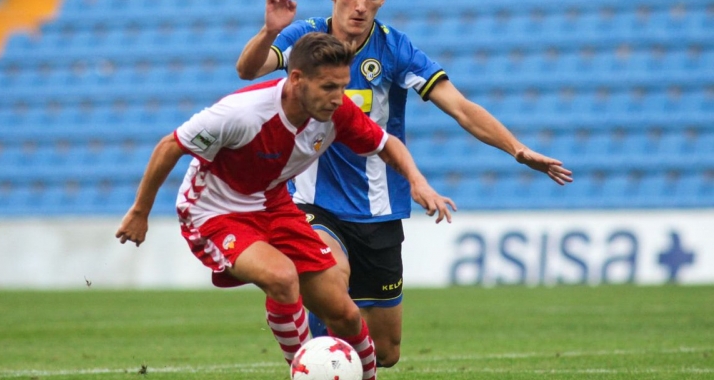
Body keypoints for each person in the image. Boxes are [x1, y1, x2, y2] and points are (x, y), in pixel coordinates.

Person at [236, 0, 574, 368]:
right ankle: (312, 359)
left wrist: (517, 149)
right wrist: (269, 32)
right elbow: (250, 69)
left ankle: (327, 353)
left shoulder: (395, 49)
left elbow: (459, 107)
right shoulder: (304, 37)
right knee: (331, 278)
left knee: (385, 351)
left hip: (378, 210)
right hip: (312, 201)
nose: (361, 7)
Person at [115, 32, 455, 380]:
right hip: (214, 211)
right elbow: (170, 145)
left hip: (274, 205)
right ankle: (304, 372)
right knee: (281, 277)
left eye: (342, 85)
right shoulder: (242, 113)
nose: (339, 98)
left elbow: (387, 144)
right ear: (296, 79)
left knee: (345, 313)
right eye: (328, 87)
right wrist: (140, 211)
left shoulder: (337, 113)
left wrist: (418, 181)